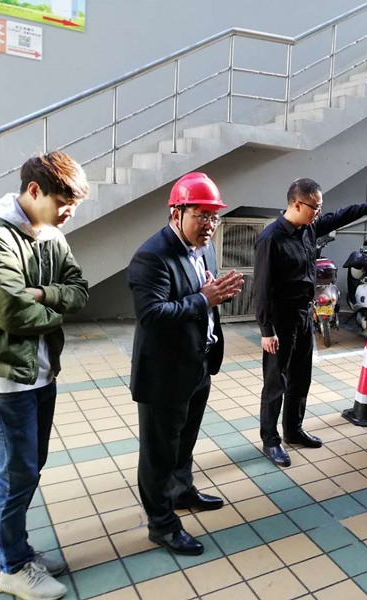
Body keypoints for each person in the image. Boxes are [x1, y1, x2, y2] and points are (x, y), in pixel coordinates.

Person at [0, 152, 89, 600]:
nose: (69, 212)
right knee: (16, 473)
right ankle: (14, 566)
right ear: (34, 191)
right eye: (63, 203)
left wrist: (42, 293)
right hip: (1, 378)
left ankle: (5, 552)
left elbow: (79, 291)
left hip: (40, 372)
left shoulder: (51, 236)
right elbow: (11, 313)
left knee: (27, 469)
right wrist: (55, 310)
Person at [127, 172, 243, 556]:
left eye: (214, 216)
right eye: (201, 215)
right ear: (176, 213)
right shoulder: (151, 256)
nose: (209, 224)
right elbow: (151, 315)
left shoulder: (204, 249)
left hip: (198, 363)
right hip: (164, 373)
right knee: (159, 453)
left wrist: (215, 297)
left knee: (185, 441)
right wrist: (204, 299)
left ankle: (182, 491)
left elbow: (200, 297)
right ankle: (161, 525)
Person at [254, 178, 367, 467]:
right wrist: (266, 330)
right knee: (275, 382)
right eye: (314, 207)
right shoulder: (271, 238)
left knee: (301, 377)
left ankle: (293, 430)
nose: (318, 213)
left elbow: (342, 216)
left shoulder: (308, 228)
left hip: (303, 316)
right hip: (280, 321)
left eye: (320, 207)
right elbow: (261, 288)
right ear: (296, 204)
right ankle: (270, 440)